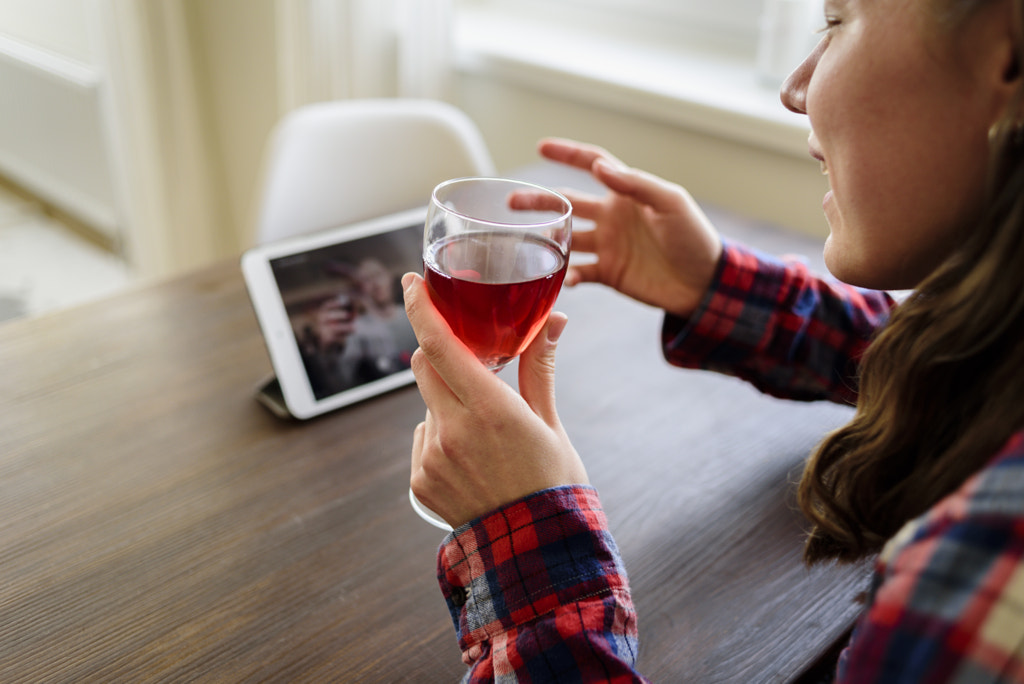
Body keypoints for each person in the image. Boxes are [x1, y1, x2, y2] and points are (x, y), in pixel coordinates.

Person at [402, 0, 1024, 680]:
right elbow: (946, 363)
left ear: (1009, 56)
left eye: (839, 20)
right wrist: (722, 286)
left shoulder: (982, 574)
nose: (795, 88)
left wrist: (530, 537)